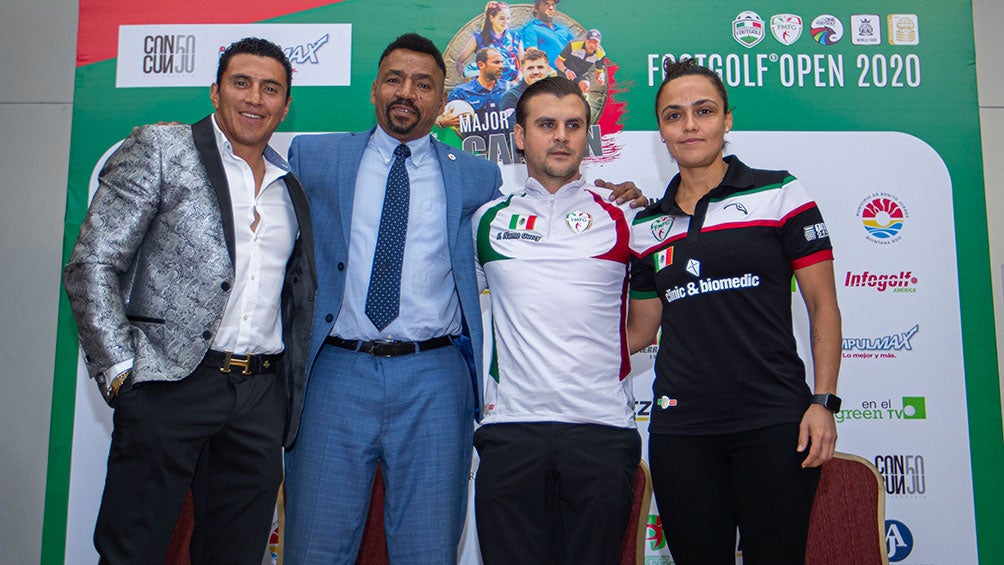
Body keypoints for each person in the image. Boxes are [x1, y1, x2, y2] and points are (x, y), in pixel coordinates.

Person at [63, 37, 315, 564]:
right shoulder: (162, 147)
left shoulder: (289, 186)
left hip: (258, 396)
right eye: (241, 83)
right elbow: (93, 263)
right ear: (215, 92)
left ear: (286, 105)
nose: (256, 98)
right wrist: (122, 371)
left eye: (271, 89)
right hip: (168, 386)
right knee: (132, 550)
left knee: (235, 554)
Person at [281, 33, 501, 564]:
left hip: (435, 377)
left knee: (428, 549)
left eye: (423, 84)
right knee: (314, 547)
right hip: (335, 370)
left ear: (442, 100)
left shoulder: (477, 175)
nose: (406, 92)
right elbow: (246, 180)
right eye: (394, 80)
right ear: (375, 89)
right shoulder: (314, 156)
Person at [626, 58, 842, 564]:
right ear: (661, 131)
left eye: (703, 111)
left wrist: (824, 401)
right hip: (681, 431)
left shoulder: (780, 193)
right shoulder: (647, 225)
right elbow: (639, 332)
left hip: (774, 422)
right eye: (674, 115)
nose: (689, 125)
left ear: (727, 120)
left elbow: (823, 306)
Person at [472, 76, 641, 564]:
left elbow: (647, 323)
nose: (562, 136)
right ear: (520, 137)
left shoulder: (626, 216)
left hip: (601, 428)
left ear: (588, 135)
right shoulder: (486, 220)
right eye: (546, 124)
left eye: (574, 125)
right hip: (512, 428)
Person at [438, 47, 508, 131]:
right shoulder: (461, 92)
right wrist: (443, 122)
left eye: (502, 62)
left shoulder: (509, 88)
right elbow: (438, 118)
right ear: (481, 65)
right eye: (496, 62)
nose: (501, 66)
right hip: (472, 139)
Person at [454, 1, 522, 83]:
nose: (506, 22)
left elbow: (524, 64)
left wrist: (517, 80)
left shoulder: (516, 37)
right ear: (491, 18)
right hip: (486, 85)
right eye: (501, 18)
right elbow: (459, 61)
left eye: (508, 18)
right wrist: (463, 78)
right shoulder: (479, 37)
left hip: (510, 85)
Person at [521, 0, 575, 69]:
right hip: (550, 74)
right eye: (546, 4)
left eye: (553, 5)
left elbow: (577, 49)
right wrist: (551, 72)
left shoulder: (563, 29)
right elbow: (533, 57)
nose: (551, 8)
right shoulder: (531, 29)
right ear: (536, 8)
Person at [499, 47, 550, 114]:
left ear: (548, 69)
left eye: (540, 67)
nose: (536, 72)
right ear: (522, 71)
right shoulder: (511, 97)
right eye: (530, 68)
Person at [555, 28, 606, 94]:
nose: (592, 45)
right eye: (590, 41)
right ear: (586, 40)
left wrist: (601, 78)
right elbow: (558, 62)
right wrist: (566, 70)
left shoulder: (601, 54)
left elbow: (599, 73)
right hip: (565, 71)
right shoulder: (573, 44)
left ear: (599, 43)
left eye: (595, 42)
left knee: (585, 85)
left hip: (581, 74)